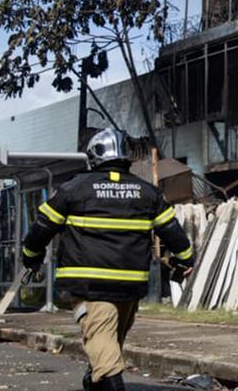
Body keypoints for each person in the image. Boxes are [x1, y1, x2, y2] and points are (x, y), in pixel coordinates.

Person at [21, 129, 194, 391]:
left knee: (101, 338)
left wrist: (30, 257)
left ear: (93, 157)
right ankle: (96, 378)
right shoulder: (147, 193)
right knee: (112, 340)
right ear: (126, 158)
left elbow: (41, 229)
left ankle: (110, 382)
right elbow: (174, 234)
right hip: (130, 285)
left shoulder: (73, 189)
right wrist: (183, 262)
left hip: (90, 284)